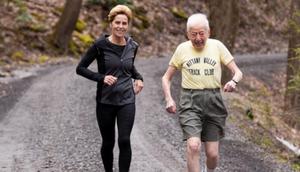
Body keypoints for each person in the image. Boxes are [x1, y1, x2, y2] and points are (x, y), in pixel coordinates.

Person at [161, 13, 243, 172]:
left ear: (208, 32)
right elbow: (166, 78)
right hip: (190, 101)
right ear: (187, 34)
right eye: (193, 34)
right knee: (193, 146)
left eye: (201, 34)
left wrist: (233, 82)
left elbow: (238, 72)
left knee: (212, 154)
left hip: (214, 102)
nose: (198, 38)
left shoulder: (217, 46)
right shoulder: (182, 49)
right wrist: (169, 99)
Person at [76, 5, 143, 172]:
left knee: (124, 140)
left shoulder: (133, 46)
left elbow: (128, 68)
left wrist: (139, 78)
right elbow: (81, 68)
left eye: (124, 23)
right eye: (117, 22)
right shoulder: (100, 45)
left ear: (128, 25)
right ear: (111, 24)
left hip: (127, 100)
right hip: (105, 101)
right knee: (108, 142)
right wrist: (102, 77)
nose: (121, 26)